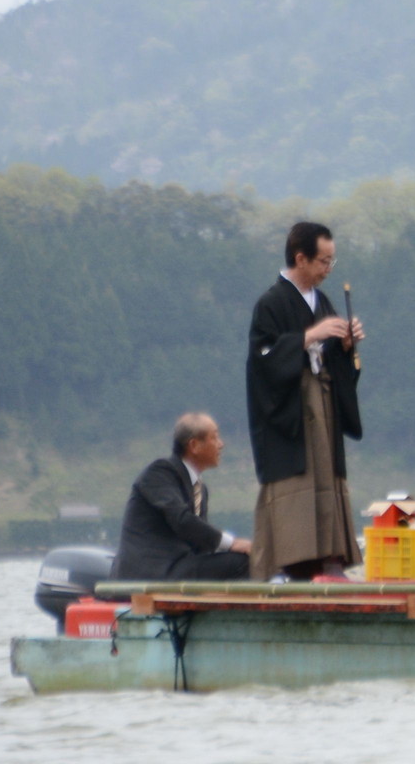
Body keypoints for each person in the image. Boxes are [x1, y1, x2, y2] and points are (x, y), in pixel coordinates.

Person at [247, 221, 363, 581]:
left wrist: (345, 347)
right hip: (293, 408)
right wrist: (310, 335)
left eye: (332, 261)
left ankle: (328, 557)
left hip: (323, 401)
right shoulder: (271, 302)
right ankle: (294, 560)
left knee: (327, 474)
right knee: (297, 481)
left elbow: (337, 362)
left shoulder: (323, 301)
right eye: (323, 262)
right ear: (301, 258)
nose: (328, 269)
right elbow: (262, 357)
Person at [113, 413, 251, 581]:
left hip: (178, 567)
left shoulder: (200, 489)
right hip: (151, 572)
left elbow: (200, 542)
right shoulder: (160, 472)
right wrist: (232, 544)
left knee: (251, 559)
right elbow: (181, 520)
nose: (221, 444)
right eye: (214, 438)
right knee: (241, 562)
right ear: (194, 445)